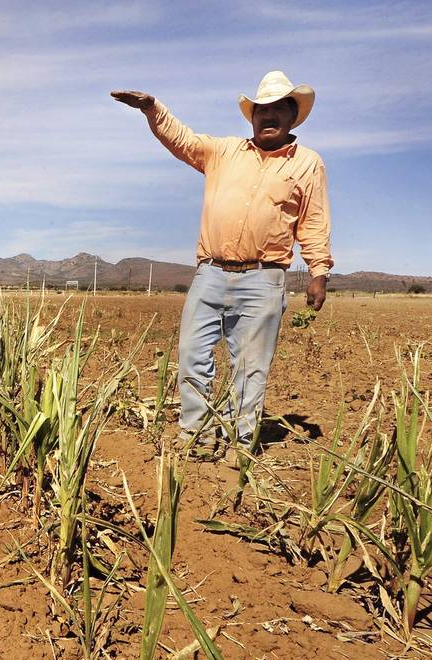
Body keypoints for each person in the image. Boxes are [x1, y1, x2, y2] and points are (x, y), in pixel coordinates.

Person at [111, 71, 332, 452]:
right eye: (262, 109)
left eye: (279, 109)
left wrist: (319, 271)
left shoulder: (307, 164)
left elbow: (313, 221)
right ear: (252, 116)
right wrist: (152, 108)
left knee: (250, 367)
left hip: (264, 279)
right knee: (192, 356)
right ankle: (196, 437)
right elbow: (182, 140)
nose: (269, 116)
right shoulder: (224, 151)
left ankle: (239, 443)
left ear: (293, 117)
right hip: (210, 273)